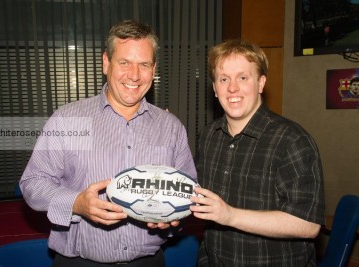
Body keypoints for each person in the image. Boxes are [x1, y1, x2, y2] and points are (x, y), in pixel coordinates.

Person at [20, 20, 196, 267]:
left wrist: (174, 217)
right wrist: (77, 203)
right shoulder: (70, 119)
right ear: (106, 62)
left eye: (143, 64)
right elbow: (33, 184)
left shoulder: (171, 127)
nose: (134, 75)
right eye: (124, 62)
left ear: (154, 69)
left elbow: (188, 191)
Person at [189, 39, 325, 266]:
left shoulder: (292, 140)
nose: (232, 88)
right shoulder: (208, 136)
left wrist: (230, 215)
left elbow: (309, 225)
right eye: (224, 79)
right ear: (214, 88)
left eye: (243, 77)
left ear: (261, 83)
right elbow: (198, 199)